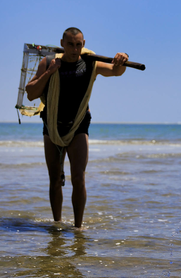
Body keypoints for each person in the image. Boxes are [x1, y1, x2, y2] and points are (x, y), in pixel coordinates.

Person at [25, 27, 129, 228]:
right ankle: (57, 225)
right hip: (52, 124)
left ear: (83, 44)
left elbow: (116, 72)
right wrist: (50, 72)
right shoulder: (48, 62)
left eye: (78, 44)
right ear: (62, 43)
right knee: (55, 179)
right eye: (70, 44)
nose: (74, 49)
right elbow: (31, 93)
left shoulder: (89, 63)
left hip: (79, 124)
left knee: (79, 177)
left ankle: (78, 228)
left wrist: (122, 59)